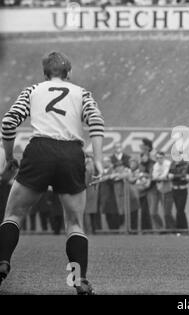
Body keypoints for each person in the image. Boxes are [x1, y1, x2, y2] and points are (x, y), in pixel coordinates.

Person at [0, 51, 104, 294]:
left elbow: (8, 122)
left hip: (39, 151)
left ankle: (2, 262)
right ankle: (79, 280)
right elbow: (96, 121)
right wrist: (98, 159)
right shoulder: (82, 93)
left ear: (45, 73)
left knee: (14, 214)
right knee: (75, 223)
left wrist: (9, 156)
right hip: (71, 153)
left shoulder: (32, 90)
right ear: (69, 74)